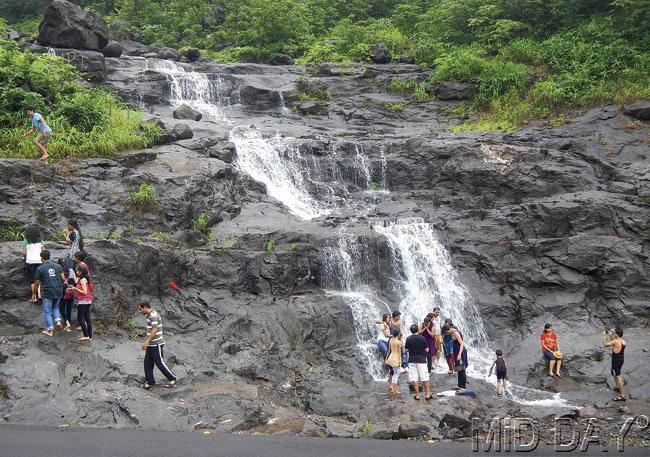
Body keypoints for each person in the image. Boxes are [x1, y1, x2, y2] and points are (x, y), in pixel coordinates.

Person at [138, 302, 177, 389]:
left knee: (160, 363)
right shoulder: (149, 315)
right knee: (147, 363)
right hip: (151, 343)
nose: (139, 311)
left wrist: (147, 342)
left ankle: (172, 378)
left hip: (157, 343)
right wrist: (146, 341)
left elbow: (154, 331)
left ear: (145, 307)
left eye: (140, 309)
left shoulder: (153, 316)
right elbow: (151, 330)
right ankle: (151, 382)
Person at [34, 250, 66, 337]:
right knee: (55, 306)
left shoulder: (40, 269)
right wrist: (60, 285)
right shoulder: (58, 266)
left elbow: (36, 283)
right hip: (59, 290)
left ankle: (50, 330)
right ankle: (58, 321)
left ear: (41, 258)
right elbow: (63, 278)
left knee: (47, 311)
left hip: (48, 292)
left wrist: (34, 293)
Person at [404, 323, 432, 401]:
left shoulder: (408, 339)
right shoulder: (422, 338)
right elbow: (427, 350)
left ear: (410, 331)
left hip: (412, 360)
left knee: (414, 378)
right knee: (425, 377)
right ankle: (427, 394)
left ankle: (417, 395)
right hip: (422, 360)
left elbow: (406, 350)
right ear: (418, 330)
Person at [443, 324, 469, 390]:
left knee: (462, 369)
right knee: (458, 369)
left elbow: (462, 344)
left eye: (447, 332)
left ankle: (463, 386)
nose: (447, 333)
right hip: (456, 352)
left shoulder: (456, 333)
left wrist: (459, 354)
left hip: (460, 352)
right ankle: (459, 385)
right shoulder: (452, 333)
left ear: (449, 329)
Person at [71, 265, 93, 341]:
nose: (76, 272)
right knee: (87, 318)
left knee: (81, 318)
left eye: (78, 271)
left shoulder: (82, 280)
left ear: (81, 272)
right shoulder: (87, 279)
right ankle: (90, 336)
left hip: (83, 301)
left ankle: (86, 335)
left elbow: (84, 292)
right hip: (88, 300)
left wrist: (75, 288)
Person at [604, 328, 626, 402]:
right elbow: (614, 340)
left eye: (614, 333)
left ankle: (622, 395)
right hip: (621, 359)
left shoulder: (616, 342)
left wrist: (605, 336)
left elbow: (605, 345)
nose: (613, 333)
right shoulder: (623, 341)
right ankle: (617, 387)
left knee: (617, 375)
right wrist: (610, 334)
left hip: (616, 360)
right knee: (614, 373)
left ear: (617, 334)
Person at [22, 226, 43, 303]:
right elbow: (42, 250)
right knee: (39, 278)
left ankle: (33, 297)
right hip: (39, 260)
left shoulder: (26, 240)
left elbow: (24, 252)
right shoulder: (40, 240)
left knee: (32, 278)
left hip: (30, 261)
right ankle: (40, 295)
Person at [57, 258, 76, 332]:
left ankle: (66, 320)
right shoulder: (71, 270)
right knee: (69, 306)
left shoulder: (59, 271)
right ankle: (69, 319)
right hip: (71, 289)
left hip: (63, 289)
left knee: (61, 307)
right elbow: (75, 281)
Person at [384, 328, 403, 393]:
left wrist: (386, 358)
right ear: (398, 334)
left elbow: (389, 350)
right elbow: (399, 353)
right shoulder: (399, 342)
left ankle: (393, 387)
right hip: (396, 357)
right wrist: (400, 362)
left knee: (395, 373)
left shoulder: (391, 340)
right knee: (396, 373)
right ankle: (394, 388)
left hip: (391, 356)